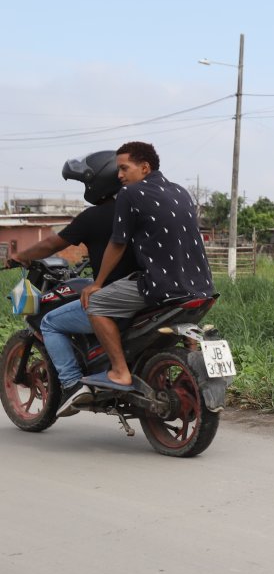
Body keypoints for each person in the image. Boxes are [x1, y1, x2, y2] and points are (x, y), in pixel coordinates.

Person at [6, 150, 139, 415]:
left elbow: (51, 244)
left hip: (118, 296)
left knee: (50, 322)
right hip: (146, 289)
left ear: (98, 181)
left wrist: (20, 256)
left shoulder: (94, 216)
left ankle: (71, 385)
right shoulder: (138, 207)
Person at [80, 141, 213, 391]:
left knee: (96, 304)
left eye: (124, 168)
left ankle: (120, 371)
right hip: (202, 286)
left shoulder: (131, 194)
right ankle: (190, 355)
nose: (119, 176)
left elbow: (118, 243)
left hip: (162, 286)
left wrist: (97, 284)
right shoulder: (181, 191)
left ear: (144, 167)